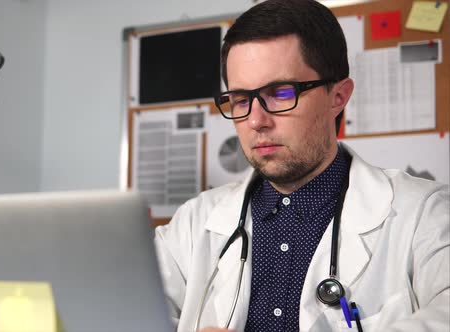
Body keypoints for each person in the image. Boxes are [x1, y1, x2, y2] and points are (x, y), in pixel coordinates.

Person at [153, 0, 450, 331]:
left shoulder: (425, 213)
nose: (255, 121)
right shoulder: (194, 225)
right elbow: (123, 314)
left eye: (280, 92)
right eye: (240, 99)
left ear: (338, 96)